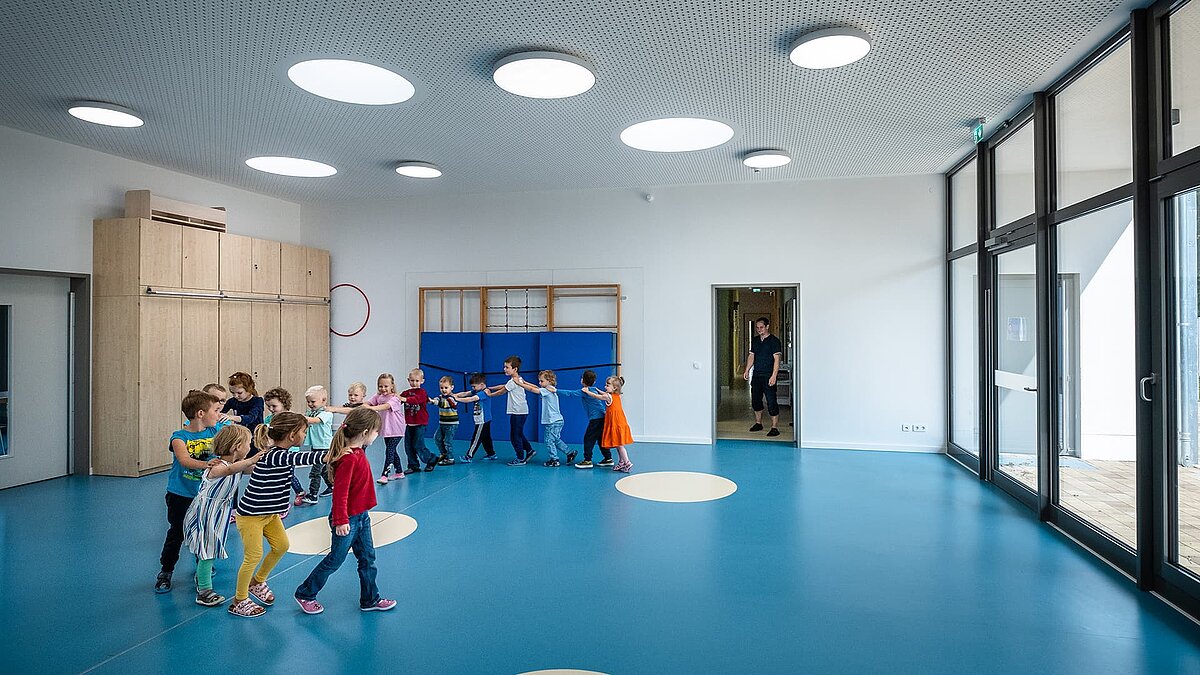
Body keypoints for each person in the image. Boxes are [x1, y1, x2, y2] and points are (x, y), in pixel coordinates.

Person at [294, 407, 397, 615]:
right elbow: (340, 493)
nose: (378, 435)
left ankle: (370, 599)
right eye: (377, 431)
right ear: (366, 432)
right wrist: (341, 520)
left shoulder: (356, 452)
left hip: (362, 517)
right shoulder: (349, 459)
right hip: (347, 519)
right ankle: (305, 593)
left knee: (367, 558)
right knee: (335, 559)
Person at [229, 412, 323, 618]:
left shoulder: (281, 453)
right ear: (291, 435)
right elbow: (302, 458)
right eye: (303, 431)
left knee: (282, 546)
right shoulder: (276, 454)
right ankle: (239, 600)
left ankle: (257, 581)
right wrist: (328, 455)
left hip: (269, 514)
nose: (305, 435)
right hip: (251, 515)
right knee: (252, 556)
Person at [182, 424, 260, 607]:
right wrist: (250, 460)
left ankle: (202, 578)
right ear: (236, 446)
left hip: (219, 513)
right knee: (207, 551)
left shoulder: (235, 466)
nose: (250, 447)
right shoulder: (217, 467)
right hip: (207, 512)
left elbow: (251, 469)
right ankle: (204, 591)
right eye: (248, 443)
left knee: (210, 549)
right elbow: (229, 471)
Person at [155, 390, 224, 594]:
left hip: (205, 495)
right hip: (180, 495)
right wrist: (206, 464)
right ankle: (166, 571)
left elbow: (233, 443)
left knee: (203, 532)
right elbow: (184, 460)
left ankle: (201, 568)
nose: (218, 414)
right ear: (201, 413)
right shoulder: (179, 437)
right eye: (215, 410)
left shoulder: (216, 431)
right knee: (177, 533)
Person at [557, 369, 613, 469]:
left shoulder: (584, 391)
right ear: (594, 381)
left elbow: (570, 393)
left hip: (596, 420)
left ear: (582, 380)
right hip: (602, 418)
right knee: (600, 439)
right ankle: (608, 458)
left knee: (588, 439)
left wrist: (556, 390)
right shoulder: (594, 389)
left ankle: (587, 460)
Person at [517, 370, 574, 467]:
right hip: (557, 420)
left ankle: (554, 459)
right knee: (555, 440)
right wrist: (525, 382)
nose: (539, 383)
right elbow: (535, 387)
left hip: (553, 421)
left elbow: (533, 390)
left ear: (549, 380)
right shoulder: (549, 389)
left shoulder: (547, 390)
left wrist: (519, 384)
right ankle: (570, 452)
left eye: (541, 381)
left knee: (548, 440)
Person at [484, 356, 534, 466]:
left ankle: (520, 458)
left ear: (515, 369)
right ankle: (529, 450)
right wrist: (491, 387)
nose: (504, 369)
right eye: (504, 367)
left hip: (517, 412)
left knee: (514, 436)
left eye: (507, 367)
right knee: (519, 433)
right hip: (522, 411)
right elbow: (503, 386)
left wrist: (490, 395)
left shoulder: (513, 382)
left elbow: (502, 391)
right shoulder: (517, 379)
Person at [357, 375, 406, 482]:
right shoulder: (378, 396)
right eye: (380, 386)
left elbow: (385, 406)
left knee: (389, 450)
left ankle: (385, 475)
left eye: (386, 386)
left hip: (396, 429)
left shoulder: (395, 398)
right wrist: (359, 404)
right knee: (392, 450)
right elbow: (368, 403)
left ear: (392, 386)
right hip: (387, 429)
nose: (383, 389)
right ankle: (399, 472)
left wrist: (371, 408)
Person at [263, 387, 306, 505]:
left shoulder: (291, 418)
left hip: (289, 451)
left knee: (288, 474)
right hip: (274, 451)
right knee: (277, 475)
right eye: (268, 406)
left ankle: (298, 492)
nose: (271, 409)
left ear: (284, 403)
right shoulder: (269, 419)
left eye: (274, 406)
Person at [743, 316, 783, 437]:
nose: (759, 329)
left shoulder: (774, 341)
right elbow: (752, 356)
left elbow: (777, 360)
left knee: (771, 401)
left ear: (767, 326)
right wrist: (747, 370)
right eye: (757, 328)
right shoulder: (755, 341)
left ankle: (774, 427)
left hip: (768, 375)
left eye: (761, 327)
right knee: (756, 400)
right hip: (757, 376)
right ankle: (758, 423)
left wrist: (774, 376)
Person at [584, 376, 634, 472]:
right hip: (620, 423)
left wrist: (588, 392)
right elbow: (604, 394)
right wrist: (598, 390)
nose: (605, 386)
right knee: (618, 446)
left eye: (607, 385)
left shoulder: (608, 396)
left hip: (615, 424)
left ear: (614, 387)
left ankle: (627, 462)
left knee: (620, 446)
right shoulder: (616, 396)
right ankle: (621, 462)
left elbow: (597, 397)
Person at [399, 369, 439, 472]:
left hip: (420, 424)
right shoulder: (406, 393)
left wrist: (405, 399)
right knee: (408, 446)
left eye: (417, 381)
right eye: (412, 380)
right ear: (408, 380)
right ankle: (413, 465)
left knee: (418, 445)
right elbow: (397, 400)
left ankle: (431, 459)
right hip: (410, 424)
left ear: (422, 381)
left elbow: (416, 400)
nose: (414, 383)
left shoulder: (422, 392)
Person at [301, 385, 335, 504]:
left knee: (315, 472)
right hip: (315, 446)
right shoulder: (311, 412)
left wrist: (299, 418)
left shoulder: (326, 413)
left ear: (323, 400)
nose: (310, 404)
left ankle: (313, 495)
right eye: (308, 402)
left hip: (324, 447)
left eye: (313, 401)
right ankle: (332, 486)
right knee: (323, 470)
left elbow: (315, 421)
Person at [453, 373, 497, 462]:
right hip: (482, 420)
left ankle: (469, 456)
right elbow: (466, 393)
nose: (473, 388)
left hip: (483, 420)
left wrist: (457, 400)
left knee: (476, 438)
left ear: (481, 385)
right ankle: (491, 453)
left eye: (474, 386)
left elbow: (470, 399)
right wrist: (454, 395)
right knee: (486, 438)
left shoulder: (484, 393)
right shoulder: (477, 390)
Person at [222, 372, 266, 444]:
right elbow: (221, 410)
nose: (236, 396)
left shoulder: (257, 401)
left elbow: (251, 418)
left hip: (256, 438)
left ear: (249, 390)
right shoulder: (233, 401)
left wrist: (231, 417)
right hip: (241, 436)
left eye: (239, 393)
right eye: (233, 393)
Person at [429, 376, 459, 465]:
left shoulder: (452, 398)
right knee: (437, 438)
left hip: (451, 424)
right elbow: (435, 400)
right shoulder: (440, 397)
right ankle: (444, 454)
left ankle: (450, 458)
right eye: (441, 388)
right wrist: (430, 401)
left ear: (452, 387)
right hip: (442, 423)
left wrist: (434, 402)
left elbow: (444, 404)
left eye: (446, 388)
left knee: (447, 441)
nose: (444, 390)